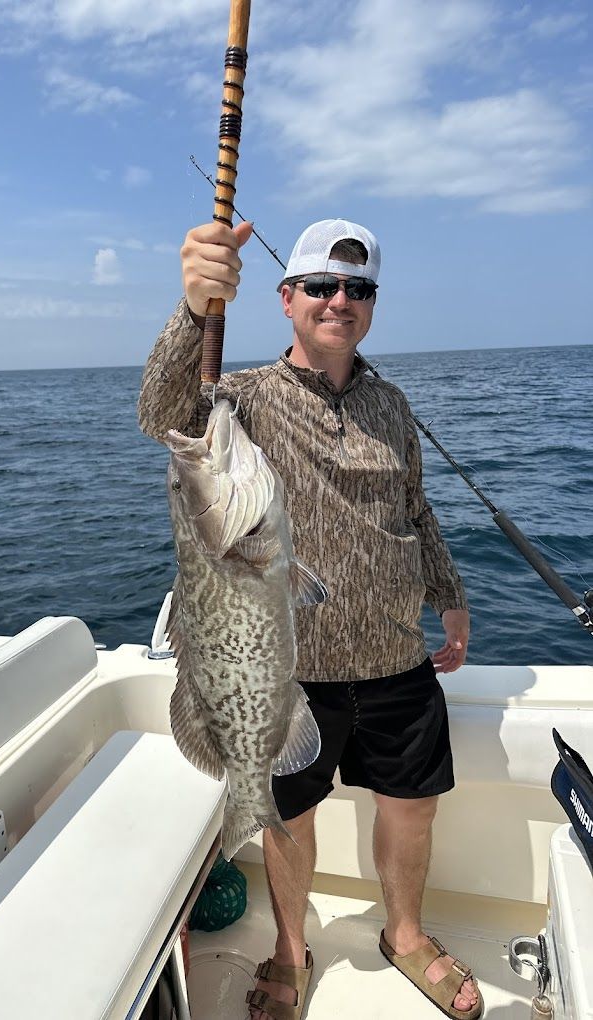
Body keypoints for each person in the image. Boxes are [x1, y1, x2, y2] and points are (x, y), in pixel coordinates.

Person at [137, 218, 482, 1020]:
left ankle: (403, 934)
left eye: (356, 289)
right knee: (288, 814)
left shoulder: (391, 404)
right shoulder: (240, 398)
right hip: (291, 671)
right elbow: (162, 412)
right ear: (286, 298)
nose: (338, 301)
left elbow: (414, 509)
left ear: (370, 305)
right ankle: (291, 947)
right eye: (320, 286)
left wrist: (450, 592)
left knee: (411, 809)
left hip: (398, 657)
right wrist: (193, 310)